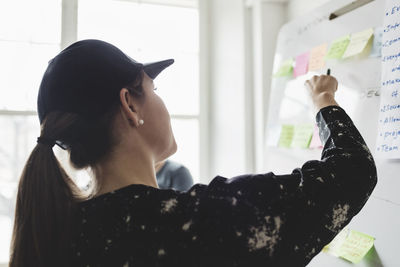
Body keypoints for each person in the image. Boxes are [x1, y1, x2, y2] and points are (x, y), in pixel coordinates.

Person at [9, 39, 377, 267]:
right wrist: (323, 101)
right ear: (130, 106)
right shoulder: (199, 224)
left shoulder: (59, 235)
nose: (160, 100)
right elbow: (353, 172)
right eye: (152, 88)